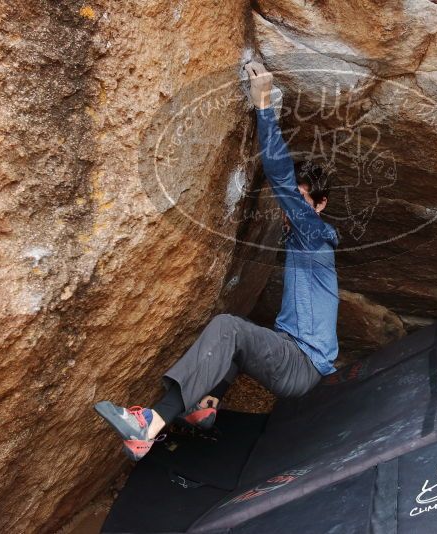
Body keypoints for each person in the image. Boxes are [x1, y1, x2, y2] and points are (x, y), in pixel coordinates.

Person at [94, 61, 340, 461]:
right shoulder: (302, 235)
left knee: (228, 329)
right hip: (295, 357)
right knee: (238, 338)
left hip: (302, 365)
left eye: (302, 200)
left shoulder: (314, 235)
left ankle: (150, 425)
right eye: (293, 201)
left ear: (320, 204)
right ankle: (205, 406)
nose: (291, 207)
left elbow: (279, 176)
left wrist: (263, 105)